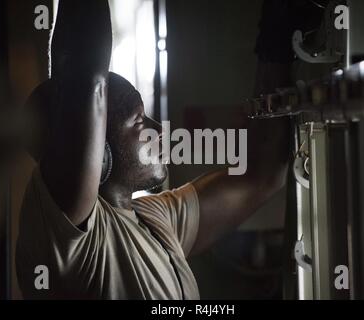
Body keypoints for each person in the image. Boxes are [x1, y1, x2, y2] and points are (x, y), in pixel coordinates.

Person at [16, 0, 289, 299]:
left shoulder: (156, 218)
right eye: (138, 121)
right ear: (99, 152)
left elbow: (262, 176)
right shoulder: (73, 241)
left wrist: (276, 40)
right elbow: (84, 75)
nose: (158, 130)